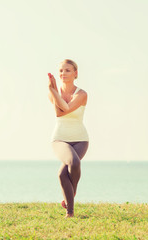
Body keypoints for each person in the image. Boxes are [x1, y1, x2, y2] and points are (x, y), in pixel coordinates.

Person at [48, 59, 89, 218]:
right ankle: (71, 205)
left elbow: (66, 108)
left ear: (75, 73)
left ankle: (70, 204)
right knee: (74, 162)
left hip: (81, 139)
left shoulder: (82, 94)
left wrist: (53, 91)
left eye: (67, 70)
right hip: (60, 139)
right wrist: (53, 91)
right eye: (60, 71)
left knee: (62, 174)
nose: (63, 74)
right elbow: (59, 113)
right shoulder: (52, 92)